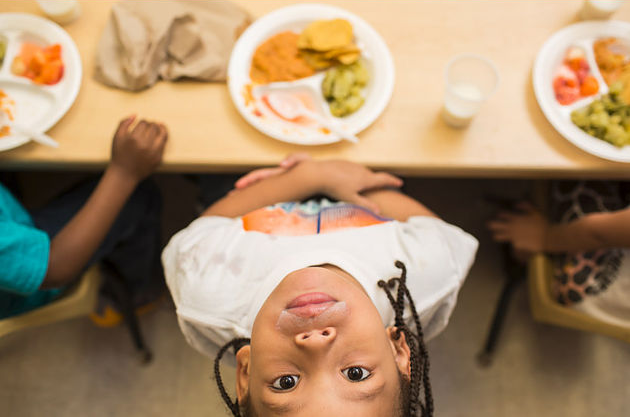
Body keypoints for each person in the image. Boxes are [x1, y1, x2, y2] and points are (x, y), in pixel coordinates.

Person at [163, 155, 478, 416]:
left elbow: (206, 228)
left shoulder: (209, 292)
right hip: (367, 167)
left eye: (286, 382)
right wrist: (343, 170)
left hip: (256, 178)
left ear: (245, 373)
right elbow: (436, 231)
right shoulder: (426, 275)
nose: (315, 342)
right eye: (355, 374)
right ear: (398, 351)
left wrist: (306, 177)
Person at [0, 116, 167, 321]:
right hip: (37, 274)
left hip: (10, 223)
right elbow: (54, 268)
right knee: (139, 196)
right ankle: (136, 295)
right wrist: (124, 173)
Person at [488, 180, 630, 330]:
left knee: (579, 178)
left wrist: (545, 237)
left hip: (609, 280)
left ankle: (523, 255)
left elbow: (598, 234)